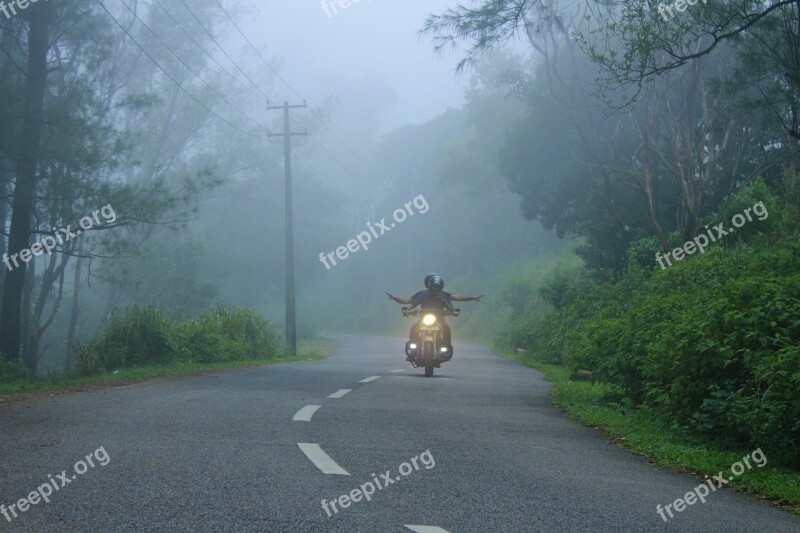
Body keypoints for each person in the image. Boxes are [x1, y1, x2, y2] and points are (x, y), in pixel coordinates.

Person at [386, 273, 484, 360]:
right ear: (429, 286)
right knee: (414, 327)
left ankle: (446, 350)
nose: (435, 290)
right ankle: (412, 349)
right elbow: (412, 303)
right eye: (433, 287)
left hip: (439, 321)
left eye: (438, 288)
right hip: (422, 321)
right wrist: (405, 307)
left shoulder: (444, 295)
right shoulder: (423, 294)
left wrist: (472, 297)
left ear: (441, 287)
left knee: (446, 328)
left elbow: (455, 301)